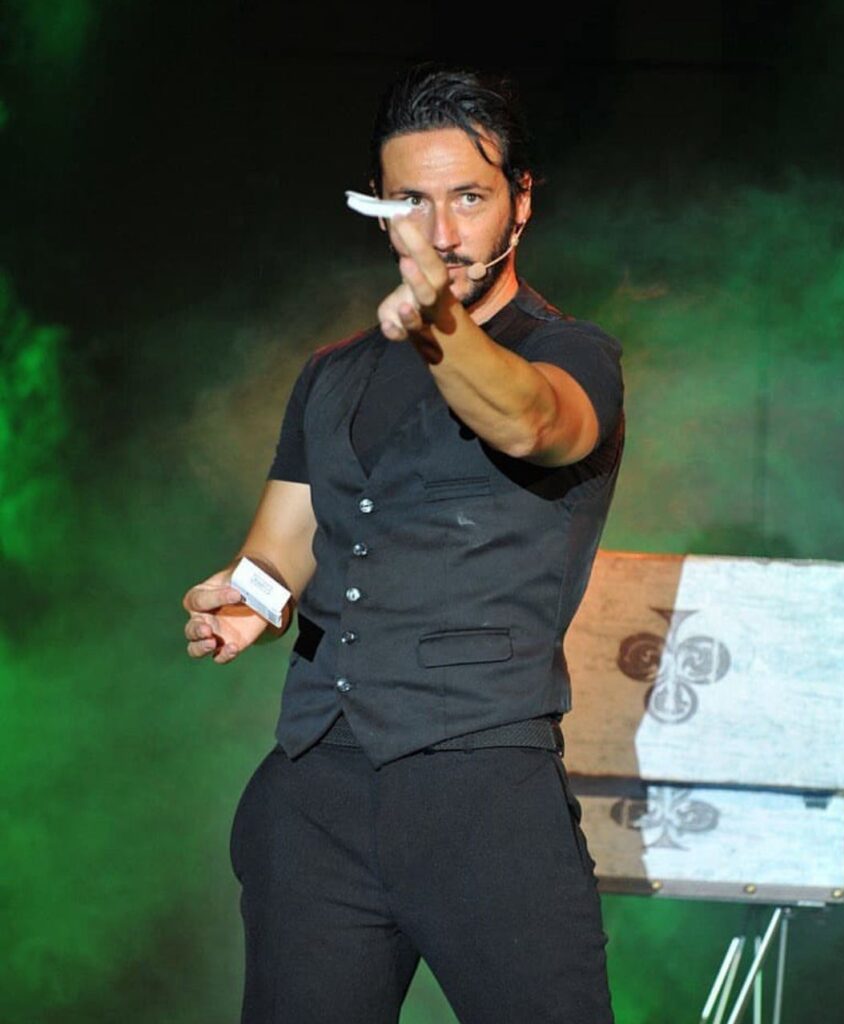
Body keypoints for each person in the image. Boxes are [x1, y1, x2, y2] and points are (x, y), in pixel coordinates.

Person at [182, 65, 624, 1024]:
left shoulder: (568, 354)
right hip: (317, 794)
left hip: (482, 792)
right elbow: (282, 546)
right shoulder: (332, 373)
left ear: (520, 202)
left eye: (468, 197)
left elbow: (531, 423)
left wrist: (439, 327)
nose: (440, 231)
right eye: (411, 203)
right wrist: (245, 601)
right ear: (381, 210)